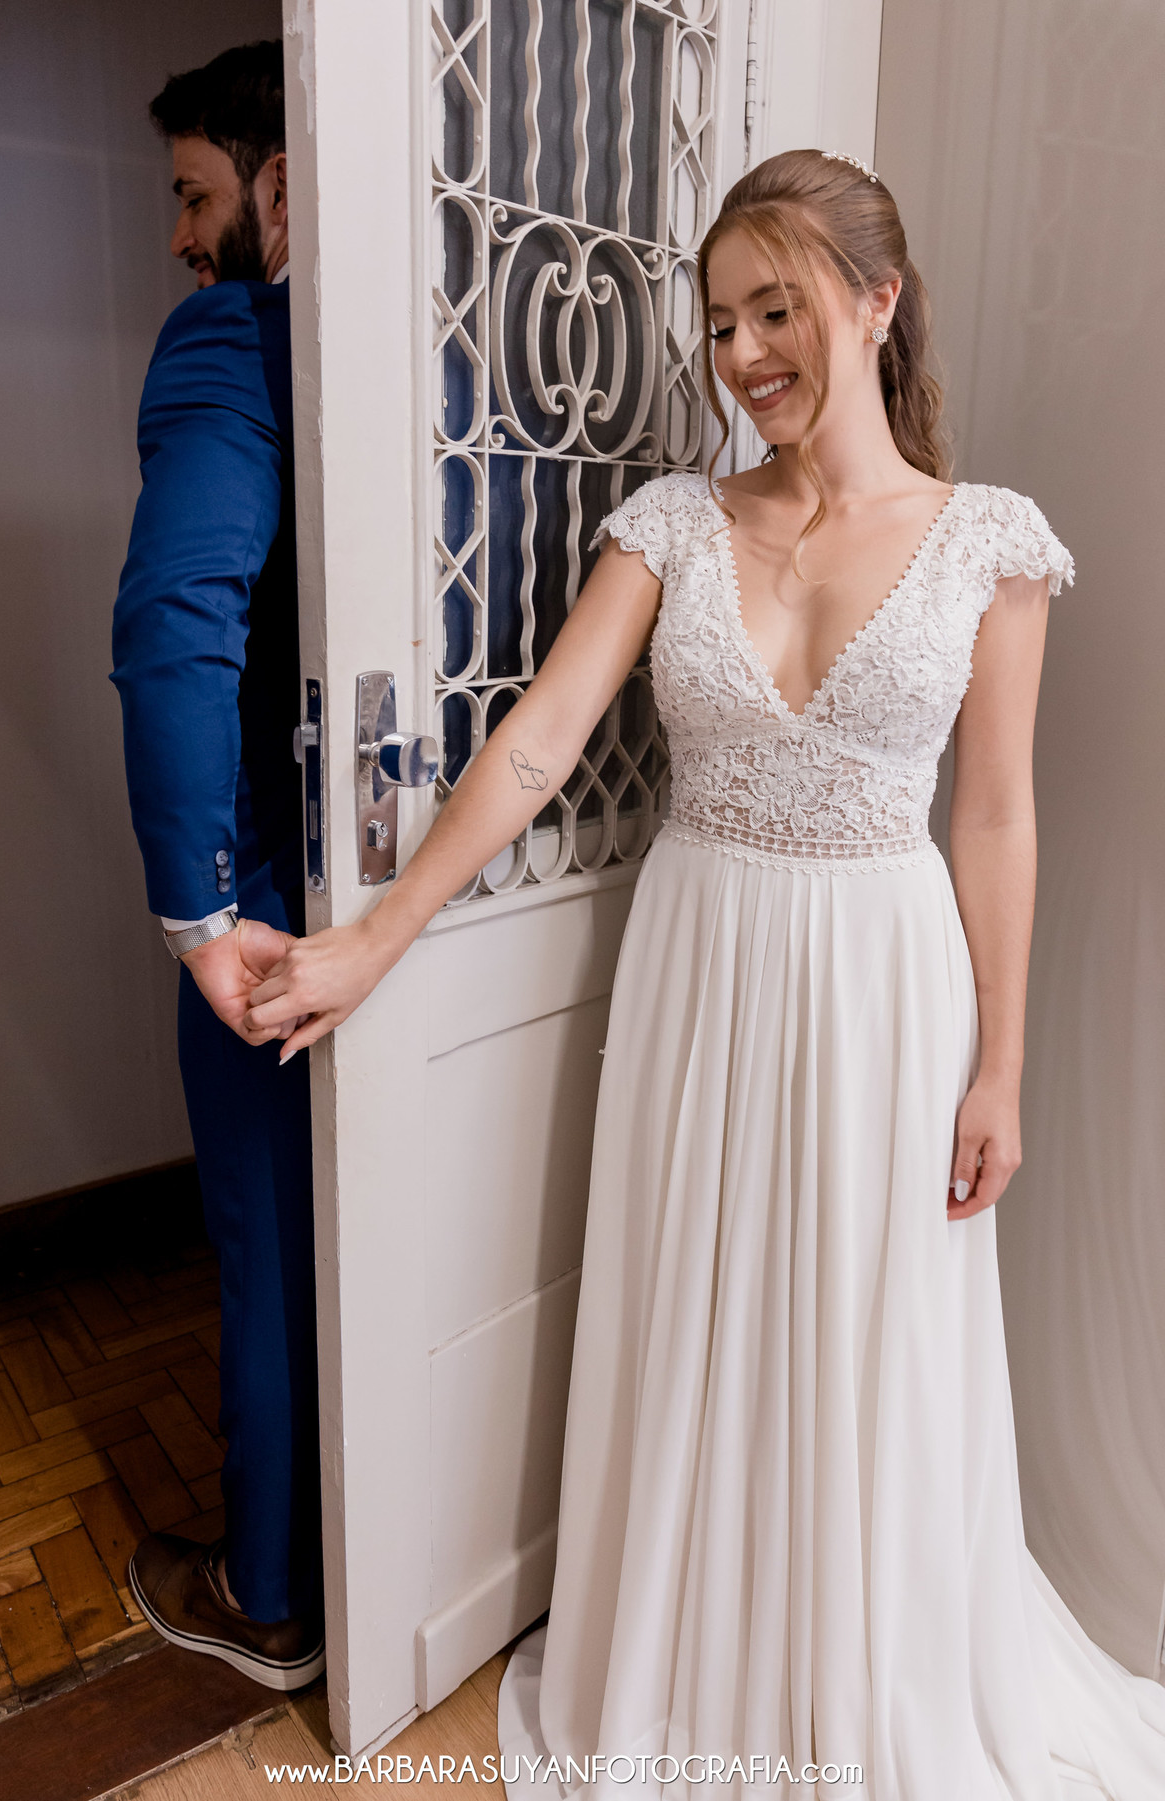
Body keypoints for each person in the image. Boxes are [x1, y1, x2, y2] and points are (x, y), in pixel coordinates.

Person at [244, 150, 1165, 1786]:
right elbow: (539, 740)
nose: (742, 353)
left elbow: (998, 818)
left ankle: (854, 1684)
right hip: (701, 968)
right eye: (721, 319)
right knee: (695, 1319)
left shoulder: (989, 544)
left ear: (876, 303)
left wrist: (1003, 1066)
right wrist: (375, 938)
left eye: (776, 308)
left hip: (887, 991)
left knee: (868, 1342)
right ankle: (696, 1667)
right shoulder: (674, 523)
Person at [110, 40, 324, 1691]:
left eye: (195, 194)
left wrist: (200, 916)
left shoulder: (229, 344)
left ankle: (266, 1595)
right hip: (381, 892)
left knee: (267, 1251)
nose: (182, 238)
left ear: (276, 184)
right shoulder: (411, 363)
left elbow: (176, 627)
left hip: (256, 899)